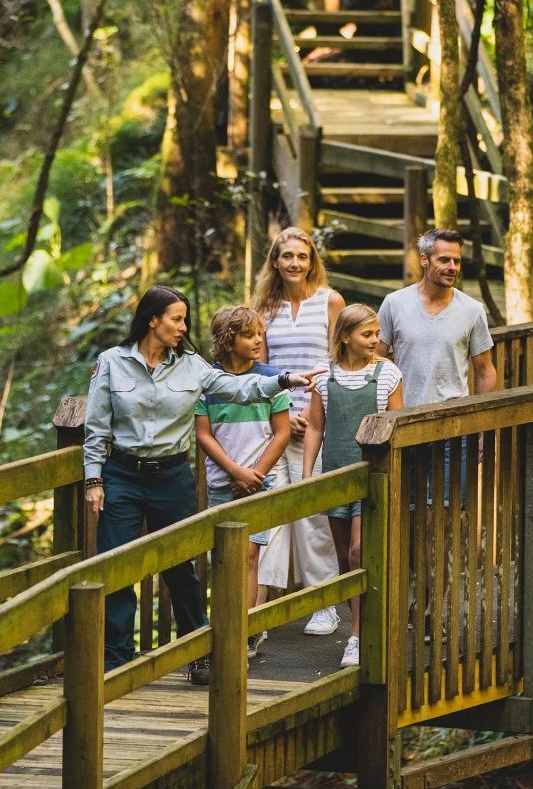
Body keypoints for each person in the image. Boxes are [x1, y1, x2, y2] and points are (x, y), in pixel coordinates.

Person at [84, 285, 321, 682]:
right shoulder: (111, 362)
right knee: (117, 565)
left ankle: (198, 653)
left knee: (181, 568)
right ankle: (115, 661)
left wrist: (284, 380)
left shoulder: (191, 364)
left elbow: (237, 387)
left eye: (185, 320)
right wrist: (94, 479)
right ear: (152, 320)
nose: (183, 327)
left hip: (172, 476)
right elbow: (96, 426)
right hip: (122, 474)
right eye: (176, 319)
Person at [251, 227, 347, 638]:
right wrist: (282, 417)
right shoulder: (263, 308)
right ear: (275, 260)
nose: (294, 263)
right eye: (287, 256)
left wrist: (312, 411)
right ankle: (259, 613)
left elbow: (338, 361)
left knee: (313, 515)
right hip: (275, 425)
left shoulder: (330, 301)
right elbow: (262, 371)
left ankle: (324, 604)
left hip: (318, 422)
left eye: (302, 257)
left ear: (312, 261)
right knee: (269, 516)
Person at [302, 305, 403, 668]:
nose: (376, 340)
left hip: (371, 476)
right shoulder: (325, 377)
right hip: (335, 474)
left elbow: (397, 425)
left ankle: (357, 636)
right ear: (345, 337)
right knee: (345, 559)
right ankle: (366, 624)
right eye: (367, 334)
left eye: (376, 333)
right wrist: (307, 475)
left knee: (361, 552)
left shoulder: (388, 375)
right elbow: (315, 427)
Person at [194, 307, 293, 659]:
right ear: (227, 340)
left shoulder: (272, 378)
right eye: (249, 335)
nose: (258, 340)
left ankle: (246, 629)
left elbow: (282, 432)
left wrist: (255, 475)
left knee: (250, 554)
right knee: (225, 556)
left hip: (260, 480)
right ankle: (224, 625)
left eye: (259, 334)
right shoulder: (207, 382)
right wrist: (235, 471)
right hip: (224, 480)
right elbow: (204, 435)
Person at [377, 228, 499, 404]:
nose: (452, 267)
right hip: (403, 416)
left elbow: (485, 371)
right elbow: (373, 361)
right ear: (424, 260)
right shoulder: (394, 303)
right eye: (444, 260)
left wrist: (483, 424)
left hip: (454, 419)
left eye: (456, 261)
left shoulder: (473, 309)